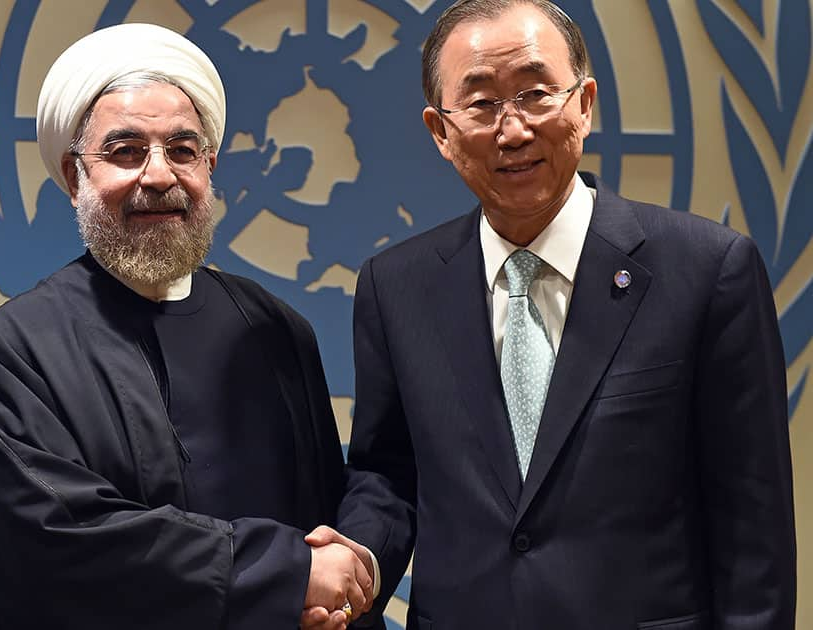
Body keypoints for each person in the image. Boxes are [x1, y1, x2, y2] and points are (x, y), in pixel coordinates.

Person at [336, 1, 797, 629]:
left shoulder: (709, 271)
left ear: (584, 102)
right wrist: (356, 557)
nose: (514, 130)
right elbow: (386, 475)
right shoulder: (397, 287)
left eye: (535, 93)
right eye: (480, 104)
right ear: (440, 133)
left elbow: (753, 531)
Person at [0, 23, 379, 630]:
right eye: (125, 152)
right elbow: (62, 540)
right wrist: (283, 575)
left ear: (209, 168)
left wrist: (323, 598)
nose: (159, 176)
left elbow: (323, 514)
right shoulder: (19, 348)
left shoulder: (275, 329)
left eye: (183, 151)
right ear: (75, 175)